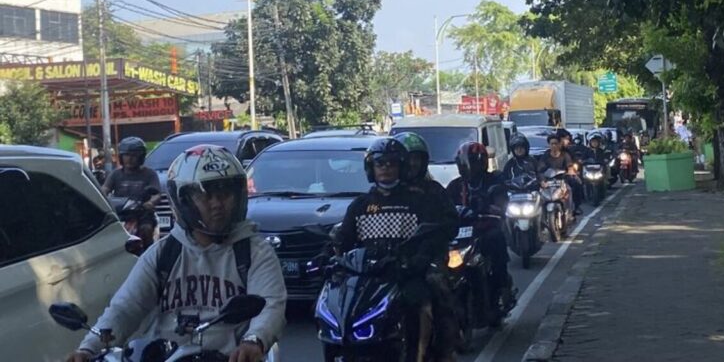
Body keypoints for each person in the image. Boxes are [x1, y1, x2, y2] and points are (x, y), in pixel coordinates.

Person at [67, 144, 287, 362]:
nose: (217, 204)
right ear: (183, 201)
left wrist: (254, 339)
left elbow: (271, 304)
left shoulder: (254, 251)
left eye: (225, 193)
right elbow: (126, 307)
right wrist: (89, 348)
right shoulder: (163, 253)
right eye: (206, 196)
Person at [335, 137, 458, 360]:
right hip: (366, 278)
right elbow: (344, 239)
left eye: (392, 163)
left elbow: (433, 235)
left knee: (425, 304)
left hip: (405, 274)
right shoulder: (360, 205)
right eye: (380, 164)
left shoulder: (420, 200)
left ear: (401, 167)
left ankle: (421, 354)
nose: (386, 169)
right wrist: (329, 256)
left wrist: (420, 257)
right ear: (371, 168)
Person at [393, 131, 459, 361]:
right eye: (407, 159)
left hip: (427, 260)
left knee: (437, 289)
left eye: (416, 159)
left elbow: (450, 225)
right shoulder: (386, 193)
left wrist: (427, 250)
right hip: (390, 261)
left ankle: (440, 349)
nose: (412, 164)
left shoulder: (434, 192)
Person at [446, 142, 513, 325]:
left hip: (485, 228)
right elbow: (443, 207)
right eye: (465, 164)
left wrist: (493, 207)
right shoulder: (454, 186)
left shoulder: (493, 181)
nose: (469, 168)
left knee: (496, 239)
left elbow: (502, 202)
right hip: (460, 233)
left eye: (473, 164)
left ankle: (501, 285)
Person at [102, 137, 162, 248]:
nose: (130, 159)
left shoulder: (149, 174)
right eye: (126, 155)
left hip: (142, 214)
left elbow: (157, 194)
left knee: (146, 229)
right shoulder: (115, 174)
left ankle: (148, 254)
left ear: (141, 157)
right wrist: (100, 196)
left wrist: (150, 203)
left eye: (134, 156)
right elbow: (105, 189)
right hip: (120, 214)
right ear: (121, 157)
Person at [537, 133, 583, 214]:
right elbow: (541, 169)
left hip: (563, 179)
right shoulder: (545, 156)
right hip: (549, 180)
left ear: (559, 144)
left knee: (576, 184)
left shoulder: (565, 155)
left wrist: (570, 172)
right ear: (549, 145)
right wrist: (542, 180)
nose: (554, 145)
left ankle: (575, 207)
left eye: (556, 143)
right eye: (552, 144)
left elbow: (570, 166)